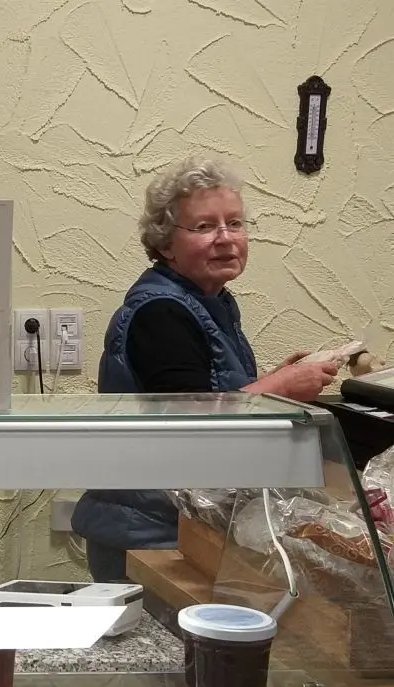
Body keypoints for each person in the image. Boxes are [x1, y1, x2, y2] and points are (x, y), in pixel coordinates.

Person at [73, 156, 338, 582]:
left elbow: (210, 389)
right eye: (204, 227)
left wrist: (271, 381)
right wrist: (279, 389)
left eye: (234, 223)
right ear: (164, 244)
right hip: (151, 537)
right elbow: (191, 420)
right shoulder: (161, 312)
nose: (225, 238)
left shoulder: (210, 302)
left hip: (182, 527)